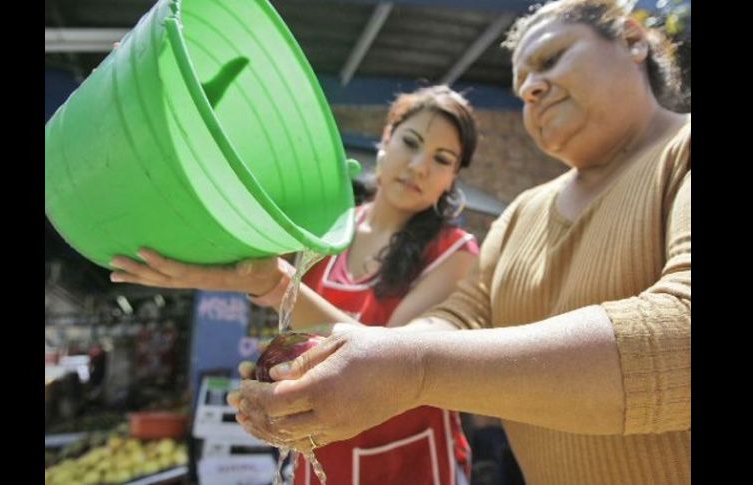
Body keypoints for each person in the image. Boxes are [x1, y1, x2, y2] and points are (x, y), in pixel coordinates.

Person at [230, 1, 691, 483]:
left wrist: (413, 369)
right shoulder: (522, 214)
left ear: (632, 39)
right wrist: (361, 358)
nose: (531, 90)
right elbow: (458, 319)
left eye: (551, 59)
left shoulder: (678, 153)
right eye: (522, 88)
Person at [110, 85, 482, 484]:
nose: (420, 166)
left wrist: (276, 284)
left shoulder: (454, 252)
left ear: (452, 178)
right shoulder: (328, 228)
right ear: (386, 139)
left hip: (410, 461)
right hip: (320, 449)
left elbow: (392, 365)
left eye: (442, 159)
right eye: (410, 142)